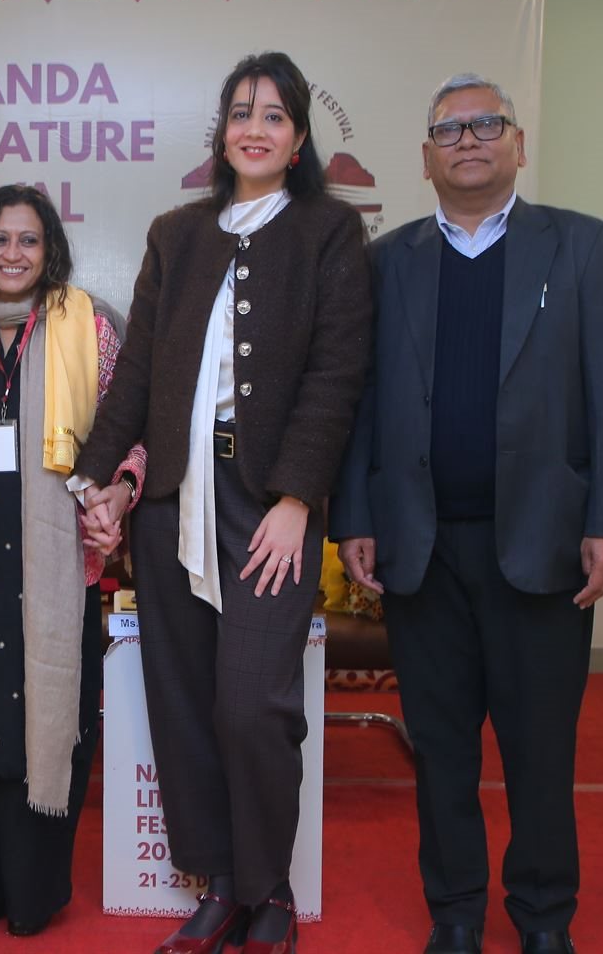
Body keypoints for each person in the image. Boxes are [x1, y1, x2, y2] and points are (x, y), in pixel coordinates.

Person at [329, 73, 603, 954]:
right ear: (425, 158)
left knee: (540, 749)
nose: (466, 140)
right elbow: (357, 401)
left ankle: (543, 917)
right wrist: (355, 515)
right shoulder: (387, 262)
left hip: (543, 544)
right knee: (440, 750)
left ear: (516, 145)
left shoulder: (579, 247)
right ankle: (456, 913)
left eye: (484, 125)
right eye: (448, 130)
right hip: (420, 547)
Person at [75, 51, 372, 954]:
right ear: (221, 131)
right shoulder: (177, 234)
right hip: (172, 502)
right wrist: (99, 478)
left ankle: (269, 890)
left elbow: (336, 374)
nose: (254, 128)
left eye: (273, 115)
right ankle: (217, 888)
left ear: (298, 138)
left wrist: (297, 498)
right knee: (183, 703)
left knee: (252, 706)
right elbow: (138, 373)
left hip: (266, 506)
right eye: (241, 112)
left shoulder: (329, 231)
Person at [0, 185, 146, 938]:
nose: (12, 254)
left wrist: (120, 491)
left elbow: (130, 428)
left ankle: (31, 887)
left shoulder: (91, 327)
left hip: (52, 565)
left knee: (39, 716)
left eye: (28, 240)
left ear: (49, 250)